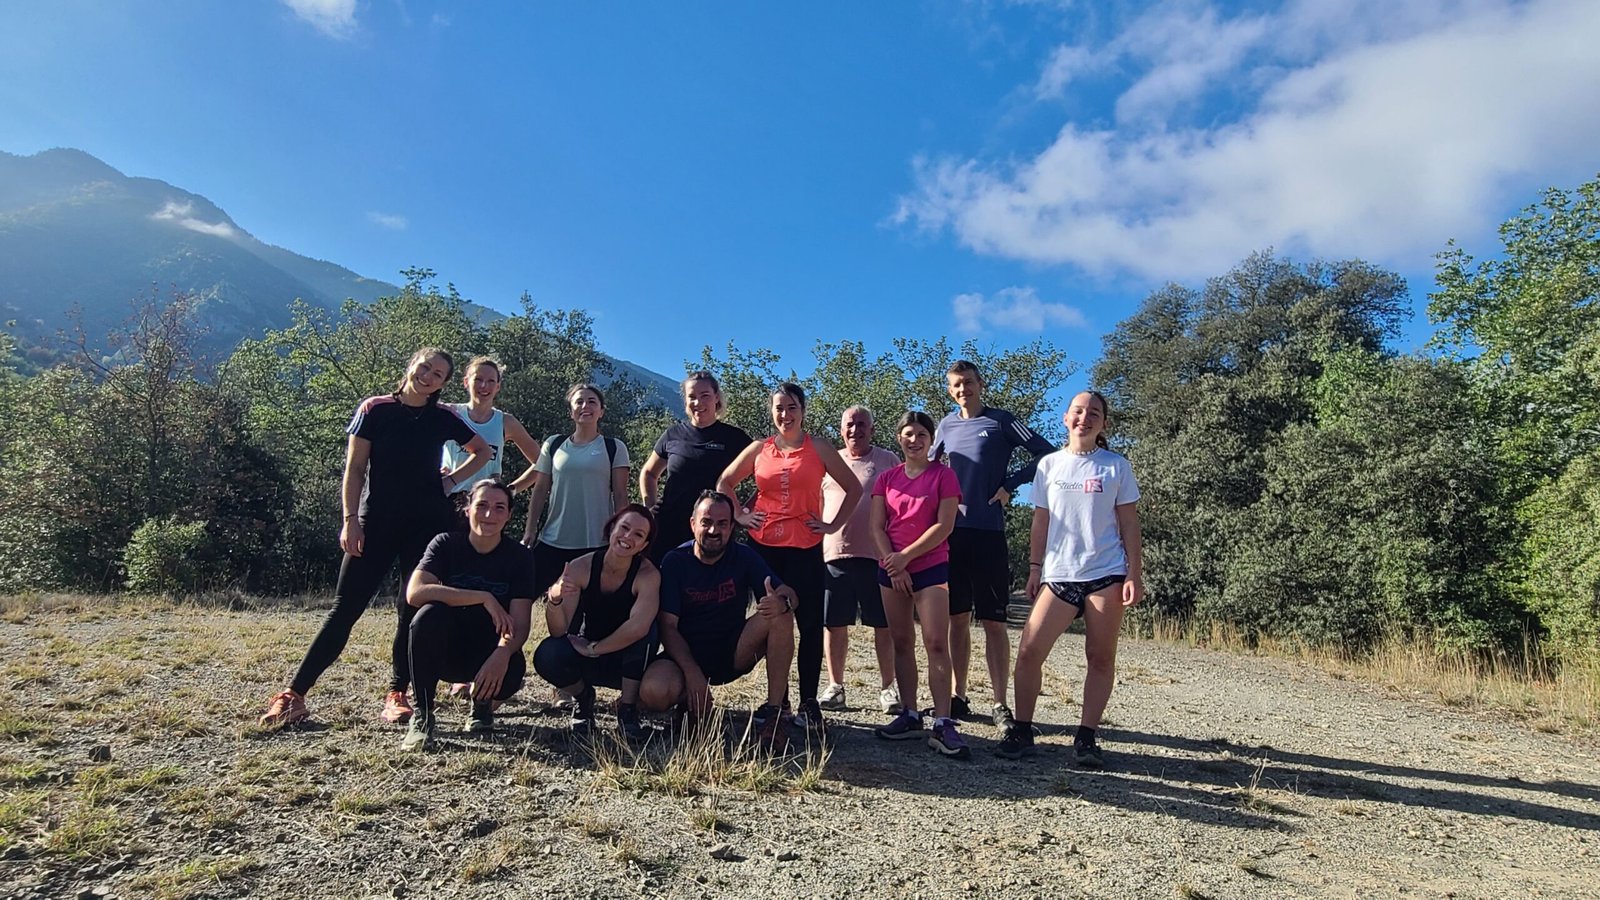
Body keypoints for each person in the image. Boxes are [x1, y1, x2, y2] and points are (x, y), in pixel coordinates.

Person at [260, 347, 491, 728]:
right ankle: (294, 695)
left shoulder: (442, 417)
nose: (428, 376)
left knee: (410, 608)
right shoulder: (375, 409)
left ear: (445, 383)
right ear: (411, 364)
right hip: (376, 523)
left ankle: (398, 694)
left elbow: (481, 451)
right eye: (425, 367)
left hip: (426, 526)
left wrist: (450, 481)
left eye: (438, 375)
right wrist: (350, 520)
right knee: (345, 608)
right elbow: (354, 470)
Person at [999, 391, 1143, 768]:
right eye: (1078, 411)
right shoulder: (1049, 465)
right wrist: (1034, 569)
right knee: (1029, 652)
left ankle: (1086, 737)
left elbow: (1129, 523)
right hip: (1059, 575)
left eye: (1094, 413)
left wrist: (1134, 573)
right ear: (1066, 418)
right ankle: (1022, 730)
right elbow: (1040, 521)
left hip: (1106, 574)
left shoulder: (1116, 466)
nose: (1084, 418)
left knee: (1100, 656)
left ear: (1104, 423)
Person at [717, 383, 861, 734]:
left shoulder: (819, 448)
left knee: (810, 625)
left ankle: (809, 702)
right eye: (779, 408)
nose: (785, 414)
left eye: (792, 407)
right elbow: (724, 482)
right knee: (771, 621)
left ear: (803, 410)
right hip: (763, 549)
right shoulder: (759, 448)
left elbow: (854, 488)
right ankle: (777, 702)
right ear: (772, 411)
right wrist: (740, 516)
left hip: (805, 547)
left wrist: (832, 525)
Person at [933, 359, 1056, 732]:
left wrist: (1009, 485)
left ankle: (1000, 703)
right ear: (950, 390)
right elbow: (929, 467)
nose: (963, 389)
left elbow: (1047, 453)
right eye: (956, 385)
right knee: (956, 619)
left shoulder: (1002, 421)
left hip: (988, 531)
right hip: (951, 533)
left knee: (994, 621)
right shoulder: (945, 425)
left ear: (980, 383)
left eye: (968, 382)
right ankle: (958, 696)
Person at [638, 491, 798, 745]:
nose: (714, 530)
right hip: (685, 656)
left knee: (780, 615)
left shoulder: (744, 556)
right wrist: (693, 675)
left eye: (722, 524)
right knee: (653, 692)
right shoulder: (675, 561)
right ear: (693, 524)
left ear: (732, 527)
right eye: (707, 522)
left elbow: (788, 593)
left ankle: (774, 715)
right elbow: (668, 627)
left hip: (734, 651)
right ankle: (688, 705)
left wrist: (783, 602)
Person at [400, 479, 537, 750]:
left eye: (499, 508)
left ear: (509, 515)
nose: (489, 514)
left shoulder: (519, 557)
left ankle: (482, 707)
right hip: (445, 649)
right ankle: (423, 715)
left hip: (487, 651)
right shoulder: (445, 543)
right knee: (427, 616)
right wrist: (483, 597)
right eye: (482, 505)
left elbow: (520, 623)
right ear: (467, 509)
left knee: (514, 667)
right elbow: (415, 592)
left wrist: (502, 653)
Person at [869, 412, 967, 758]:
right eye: (908, 434)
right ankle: (910, 715)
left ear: (931, 439)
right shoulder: (886, 479)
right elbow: (876, 527)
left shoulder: (944, 475)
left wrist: (906, 557)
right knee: (901, 641)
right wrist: (893, 565)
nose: (915, 440)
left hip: (930, 568)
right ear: (899, 438)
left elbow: (944, 525)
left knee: (936, 642)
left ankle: (942, 721)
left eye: (922, 434)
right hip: (892, 569)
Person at [532, 504, 660, 741]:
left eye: (638, 535)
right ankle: (583, 700)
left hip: (626, 662)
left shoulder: (648, 575)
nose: (628, 537)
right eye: (624, 528)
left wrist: (594, 649)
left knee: (648, 632)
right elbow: (558, 630)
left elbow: (639, 627)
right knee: (548, 653)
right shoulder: (580, 567)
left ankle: (628, 711)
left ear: (643, 545)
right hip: (586, 652)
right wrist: (554, 599)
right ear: (611, 528)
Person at [818, 406, 901, 713]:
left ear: (872, 429)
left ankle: (888, 688)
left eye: (862, 424)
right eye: (850, 425)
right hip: (835, 554)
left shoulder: (888, 460)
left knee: (883, 625)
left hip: (878, 556)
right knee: (834, 624)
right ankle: (835, 687)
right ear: (841, 430)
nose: (856, 430)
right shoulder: (829, 462)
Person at [521, 383, 632, 600]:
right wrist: (530, 528)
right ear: (570, 411)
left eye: (592, 402)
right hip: (553, 539)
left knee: (584, 608)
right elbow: (540, 489)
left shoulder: (614, 447)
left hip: (597, 542)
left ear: (601, 411)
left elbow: (620, 495)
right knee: (523, 596)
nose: (585, 406)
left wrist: (621, 535)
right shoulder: (553, 445)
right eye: (579, 401)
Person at [639, 371, 752, 566]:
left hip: (713, 532)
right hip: (669, 530)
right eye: (692, 396)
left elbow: (767, 473)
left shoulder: (734, 438)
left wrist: (742, 512)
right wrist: (649, 505)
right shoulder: (673, 434)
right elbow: (649, 473)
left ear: (716, 398)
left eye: (705, 395)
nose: (698, 402)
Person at [441, 356, 543, 497]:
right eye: (478, 379)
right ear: (466, 382)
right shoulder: (450, 413)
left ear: (498, 387)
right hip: (447, 497)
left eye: (491, 381)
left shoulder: (505, 422)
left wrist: (509, 491)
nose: (484, 386)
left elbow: (541, 462)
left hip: (486, 501)